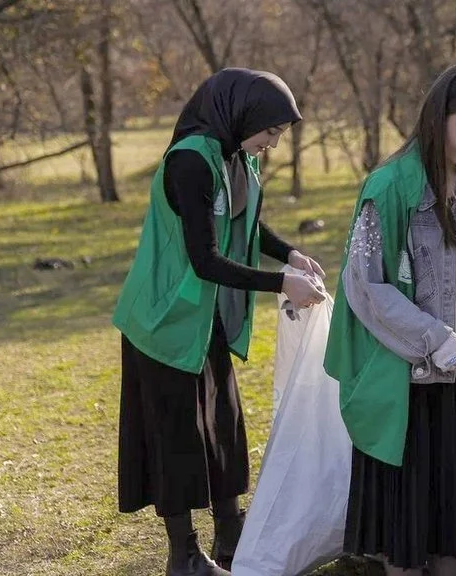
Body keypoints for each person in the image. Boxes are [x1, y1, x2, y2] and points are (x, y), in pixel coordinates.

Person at [112, 68, 326, 576]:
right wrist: (281, 284)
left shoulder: (234, 155)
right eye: (270, 131)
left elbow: (242, 219)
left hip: (201, 316)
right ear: (242, 115)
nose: (273, 144)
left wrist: (289, 253)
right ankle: (184, 556)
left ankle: (232, 534)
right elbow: (205, 258)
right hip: (162, 320)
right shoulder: (190, 161)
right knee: (176, 436)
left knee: (223, 423)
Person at [324, 63, 456, 576]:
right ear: (438, 116)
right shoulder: (389, 186)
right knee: (405, 536)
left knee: (450, 528)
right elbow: (365, 285)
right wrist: (434, 337)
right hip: (404, 384)